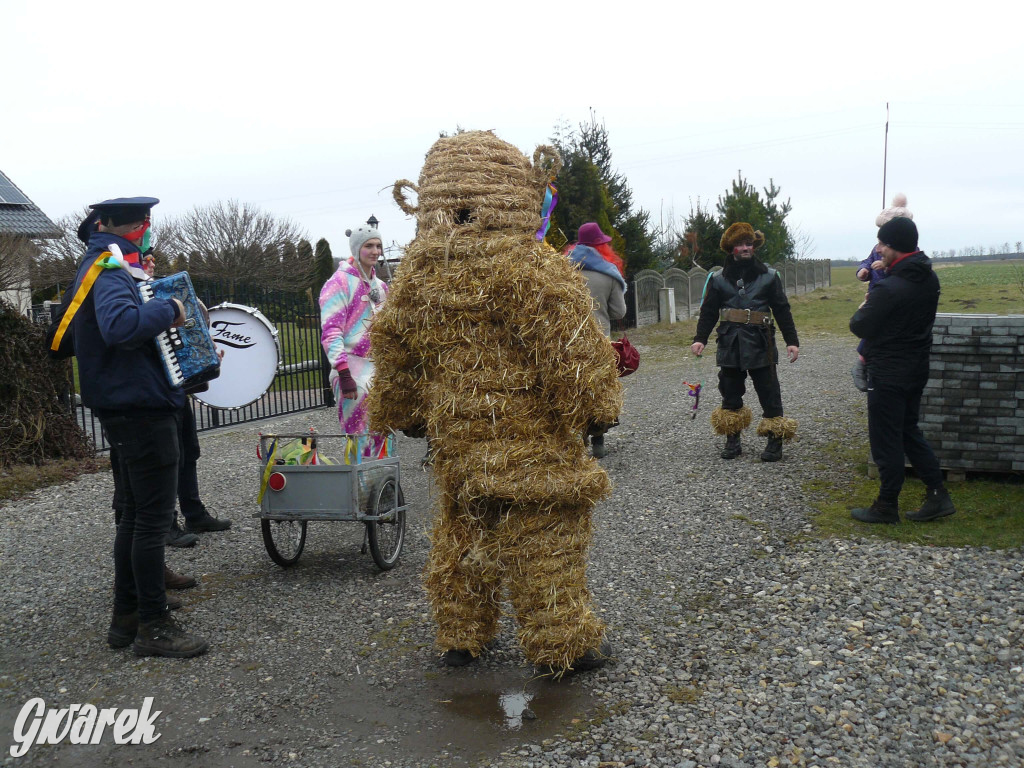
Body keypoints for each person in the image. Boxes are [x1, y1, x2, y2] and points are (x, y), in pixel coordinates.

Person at [369, 131, 621, 675]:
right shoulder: (529, 268)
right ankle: (562, 642)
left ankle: (460, 635)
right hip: (528, 441)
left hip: (458, 440)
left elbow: (392, 348)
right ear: (515, 191)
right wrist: (597, 405)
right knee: (544, 533)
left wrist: (406, 412)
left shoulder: (416, 274)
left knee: (465, 531)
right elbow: (572, 351)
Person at [71, 197, 207, 657]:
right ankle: (153, 625)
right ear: (140, 225)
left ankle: (126, 616)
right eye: (146, 224)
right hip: (139, 408)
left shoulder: (111, 262)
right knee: (149, 521)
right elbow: (120, 327)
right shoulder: (109, 266)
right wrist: (171, 309)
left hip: (134, 402)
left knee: (134, 516)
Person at [849, 217, 957, 524]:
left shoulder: (890, 288)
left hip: (888, 372)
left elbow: (859, 326)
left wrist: (867, 302)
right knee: (909, 431)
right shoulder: (928, 279)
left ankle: (886, 506)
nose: (879, 249)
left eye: (883, 243)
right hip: (915, 367)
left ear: (895, 247)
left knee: (886, 439)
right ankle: (938, 494)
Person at [691, 222, 800, 462]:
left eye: (748, 243)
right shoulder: (717, 279)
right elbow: (709, 311)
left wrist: (792, 341)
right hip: (730, 342)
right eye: (740, 244)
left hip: (762, 343)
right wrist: (700, 339)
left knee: (769, 391)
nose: (745, 248)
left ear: (754, 246)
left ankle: (775, 439)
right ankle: (732, 438)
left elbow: (782, 310)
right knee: (729, 393)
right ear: (731, 248)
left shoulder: (769, 277)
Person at [319, 225, 389, 458]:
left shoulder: (380, 287)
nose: (375, 251)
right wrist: (344, 373)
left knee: (382, 436)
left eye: (378, 245)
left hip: (377, 371)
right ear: (357, 248)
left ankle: (381, 489)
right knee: (358, 437)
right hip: (352, 370)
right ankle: (358, 489)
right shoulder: (338, 283)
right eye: (369, 245)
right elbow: (331, 332)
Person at [567, 222, 627, 459]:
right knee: (599, 391)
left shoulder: (562, 270)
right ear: (600, 245)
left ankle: (575, 438)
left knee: (572, 389)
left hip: (567, 342)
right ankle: (598, 439)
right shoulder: (608, 273)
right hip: (599, 341)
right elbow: (619, 313)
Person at [852, 194, 913, 391]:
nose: (880, 247)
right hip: (876, 295)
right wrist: (863, 272)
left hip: (893, 300)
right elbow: (867, 262)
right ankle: (863, 364)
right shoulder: (877, 249)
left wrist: (885, 267)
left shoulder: (909, 254)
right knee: (871, 328)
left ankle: (864, 365)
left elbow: (903, 273)